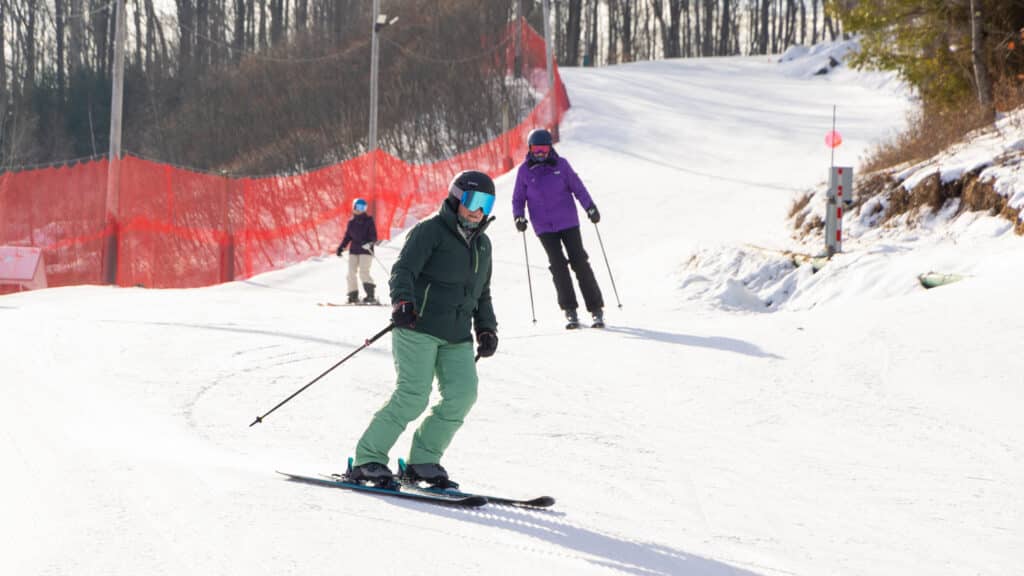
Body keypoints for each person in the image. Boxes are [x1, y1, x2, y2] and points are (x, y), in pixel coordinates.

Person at [346, 170, 499, 489]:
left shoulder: (483, 245)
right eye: (473, 200)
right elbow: (403, 270)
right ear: (457, 198)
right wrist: (403, 302)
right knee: (413, 396)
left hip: (457, 336)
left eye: (486, 202)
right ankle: (368, 459)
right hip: (418, 325)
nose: (478, 210)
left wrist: (486, 328)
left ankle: (423, 461)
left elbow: (481, 293)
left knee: (462, 395)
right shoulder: (430, 232)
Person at [511, 128, 604, 329]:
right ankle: (570, 310)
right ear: (530, 149)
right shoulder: (524, 171)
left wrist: (590, 207)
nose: (540, 153)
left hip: (568, 222)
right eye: (536, 149)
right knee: (558, 266)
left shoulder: (561, 165)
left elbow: (578, 188)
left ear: (550, 148)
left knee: (579, 261)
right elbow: (518, 198)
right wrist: (519, 217)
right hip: (544, 227)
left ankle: (595, 308)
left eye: (544, 149)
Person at [336, 198, 379, 304]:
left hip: (366, 250)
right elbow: (347, 237)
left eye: (363, 208)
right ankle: (353, 296)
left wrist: (369, 243)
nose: (361, 210)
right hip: (354, 250)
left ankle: (370, 296)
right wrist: (341, 247)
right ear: (354, 207)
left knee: (363, 272)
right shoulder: (351, 222)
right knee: (351, 273)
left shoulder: (369, 220)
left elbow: (374, 237)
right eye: (359, 207)